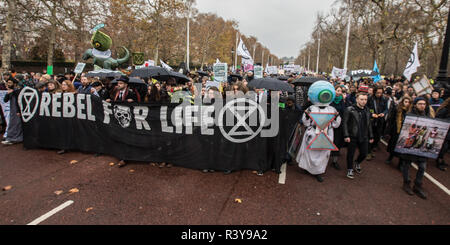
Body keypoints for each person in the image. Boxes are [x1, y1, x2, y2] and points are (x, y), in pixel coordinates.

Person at [295, 81, 341, 182]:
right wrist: (307, 117)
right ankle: (307, 168)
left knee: (322, 154)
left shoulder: (332, 110)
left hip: (326, 134)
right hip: (313, 133)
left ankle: (318, 172)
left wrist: (336, 118)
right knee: (309, 152)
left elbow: (336, 125)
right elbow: (306, 123)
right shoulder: (311, 108)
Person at [399, 97, 433, 199]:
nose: (422, 106)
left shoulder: (428, 116)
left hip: (420, 144)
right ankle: (406, 183)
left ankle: (417, 185)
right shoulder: (410, 116)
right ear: (415, 105)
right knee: (407, 164)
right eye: (420, 104)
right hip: (410, 143)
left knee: (422, 166)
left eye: (424, 104)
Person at [342, 93, 374, 179]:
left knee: (364, 153)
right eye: (361, 99)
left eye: (365, 100)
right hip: (352, 135)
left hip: (364, 135)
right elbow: (344, 123)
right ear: (357, 99)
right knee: (350, 154)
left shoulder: (367, 110)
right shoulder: (349, 109)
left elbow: (369, 124)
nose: (364, 101)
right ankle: (350, 169)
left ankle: (357, 162)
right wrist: (346, 135)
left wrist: (371, 135)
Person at [385, 96, 412, 169]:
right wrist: (388, 131)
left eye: (408, 102)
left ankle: (400, 164)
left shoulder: (411, 112)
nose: (407, 104)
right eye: (405, 102)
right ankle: (390, 157)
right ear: (402, 102)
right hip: (396, 130)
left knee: (402, 149)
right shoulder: (397, 109)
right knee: (394, 146)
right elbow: (391, 120)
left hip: (406, 132)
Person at [366, 87, 388, 160]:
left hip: (379, 120)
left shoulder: (384, 99)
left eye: (380, 93)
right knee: (370, 136)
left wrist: (383, 113)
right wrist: (371, 114)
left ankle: (371, 149)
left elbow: (386, 109)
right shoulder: (369, 98)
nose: (379, 94)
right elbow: (366, 108)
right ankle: (368, 152)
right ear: (374, 92)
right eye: (377, 93)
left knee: (377, 137)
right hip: (371, 120)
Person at [1, 78, 23, 145]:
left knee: (16, 124)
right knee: (12, 124)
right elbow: (5, 100)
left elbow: (19, 101)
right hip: (12, 111)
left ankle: (15, 139)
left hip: (17, 111)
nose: (8, 84)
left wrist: (18, 111)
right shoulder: (10, 91)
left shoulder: (18, 91)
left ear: (14, 83)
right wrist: (8, 93)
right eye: (8, 83)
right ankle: (11, 138)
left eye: (10, 83)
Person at [330, 85, 346, 170]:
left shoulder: (342, 101)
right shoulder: (329, 99)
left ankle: (334, 161)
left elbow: (343, 111)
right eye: (337, 90)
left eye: (340, 91)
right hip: (329, 124)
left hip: (339, 124)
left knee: (337, 142)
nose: (338, 92)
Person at [435, 97, 450, 171]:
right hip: (444, 131)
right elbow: (438, 119)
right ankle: (439, 161)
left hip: (448, 132)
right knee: (443, 147)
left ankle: (441, 158)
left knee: (446, 147)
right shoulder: (444, 110)